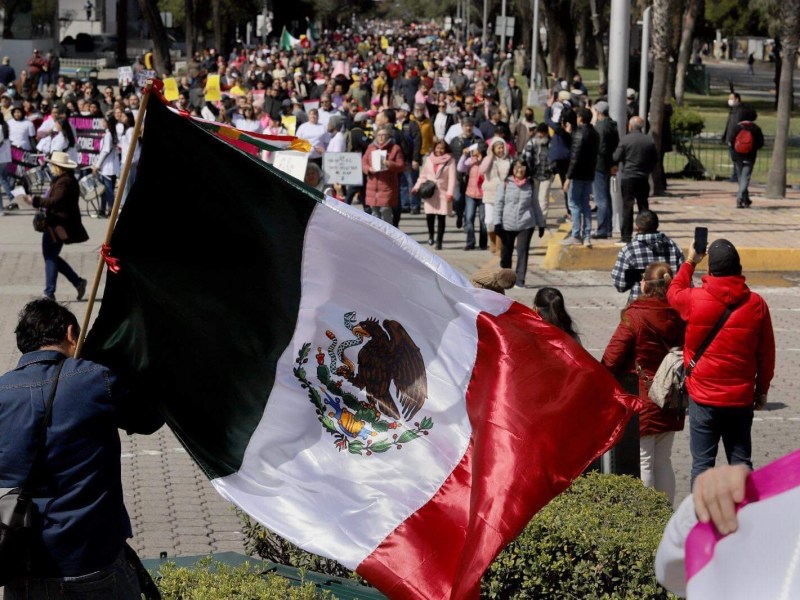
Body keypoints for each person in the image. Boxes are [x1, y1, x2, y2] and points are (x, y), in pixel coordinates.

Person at [0, 299, 163, 598]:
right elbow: (149, 418)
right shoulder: (94, 378)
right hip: (92, 559)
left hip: (23, 564)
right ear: (72, 333)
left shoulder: (3, 391)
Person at [667, 239, 775, 488]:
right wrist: (762, 390)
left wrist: (690, 261)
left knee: (702, 465)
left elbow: (673, 292)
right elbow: (766, 355)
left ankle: (699, 521)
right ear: (740, 268)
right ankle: (747, 518)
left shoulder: (694, 299)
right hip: (740, 398)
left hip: (703, 398)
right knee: (741, 463)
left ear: (710, 271)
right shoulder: (756, 304)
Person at [602, 262, 685, 503]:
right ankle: (666, 513)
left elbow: (611, 357)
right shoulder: (680, 312)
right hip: (671, 394)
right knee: (664, 459)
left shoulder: (636, 314)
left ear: (645, 285)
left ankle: (649, 519)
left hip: (644, 393)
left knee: (645, 459)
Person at [22, 151, 88, 301]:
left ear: (58, 167)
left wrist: (35, 201)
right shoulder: (62, 179)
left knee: (50, 256)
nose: (50, 167)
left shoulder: (65, 182)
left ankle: (49, 292)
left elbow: (55, 201)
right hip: (56, 224)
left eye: (52, 164)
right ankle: (77, 282)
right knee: (51, 256)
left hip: (59, 226)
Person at [611, 210, 684, 303]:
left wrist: (639, 276)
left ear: (637, 227)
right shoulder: (673, 247)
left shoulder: (629, 250)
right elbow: (684, 281)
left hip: (639, 307)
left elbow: (620, 285)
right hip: (669, 307)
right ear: (657, 226)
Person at [494, 159, 546, 289]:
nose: (519, 170)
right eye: (517, 168)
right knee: (506, 253)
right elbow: (499, 203)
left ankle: (520, 280)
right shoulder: (505, 183)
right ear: (512, 169)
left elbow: (535, 204)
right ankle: (506, 279)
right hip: (507, 223)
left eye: (522, 167)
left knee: (522, 252)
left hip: (526, 223)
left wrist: (541, 224)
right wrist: (497, 223)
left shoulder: (531, 184)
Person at [612, 116, 658, 244]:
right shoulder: (649, 140)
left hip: (628, 177)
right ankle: (647, 231)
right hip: (643, 177)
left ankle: (626, 237)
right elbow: (655, 159)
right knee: (643, 206)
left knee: (627, 207)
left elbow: (616, 157)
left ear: (630, 126)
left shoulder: (626, 139)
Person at [561, 107, 599, 247]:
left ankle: (576, 234)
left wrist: (568, 178)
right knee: (585, 205)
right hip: (589, 174)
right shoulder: (595, 134)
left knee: (574, 205)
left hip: (577, 175)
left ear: (581, 118)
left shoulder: (579, 134)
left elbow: (575, 157)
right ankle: (587, 235)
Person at [412, 139, 455, 250]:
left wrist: (450, 193)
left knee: (441, 217)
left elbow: (452, 179)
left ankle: (439, 241)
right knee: (429, 216)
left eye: (442, 148)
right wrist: (416, 187)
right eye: (438, 148)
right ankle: (431, 235)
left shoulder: (450, 160)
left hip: (443, 192)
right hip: (429, 191)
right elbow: (423, 175)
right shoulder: (429, 159)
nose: (439, 150)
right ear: (434, 148)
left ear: (445, 149)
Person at [361, 125, 404, 225]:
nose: (381, 137)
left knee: (385, 210)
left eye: (383, 135)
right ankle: (377, 237)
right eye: (379, 135)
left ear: (388, 136)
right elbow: (364, 163)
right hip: (372, 186)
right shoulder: (371, 147)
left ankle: (389, 235)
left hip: (387, 185)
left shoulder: (395, 148)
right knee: (374, 212)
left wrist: (389, 164)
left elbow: (401, 165)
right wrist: (368, 169)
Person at [479, 138, 512, 252]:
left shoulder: (508, 160)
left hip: (504, 194)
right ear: (493, 148)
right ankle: (492, 240)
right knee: (489, 221)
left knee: (500, 221)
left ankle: (499, 246)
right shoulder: (488, 159)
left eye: (502, 147)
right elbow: (481, 170)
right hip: (489, 194)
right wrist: (490, 157)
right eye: (498, 147)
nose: (501, 150)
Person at [591, 101, 619, 240]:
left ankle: (602, 229)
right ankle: (607, 228)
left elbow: (600, 148)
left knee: (601, 198)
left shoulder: (600, 127)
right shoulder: (612, 125)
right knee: (606, 197)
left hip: (599, 166)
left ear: (598, 112)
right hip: (607, 164)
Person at [730, 117, 764, 209]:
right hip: (750, 156)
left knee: (741, 178)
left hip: (738, 157)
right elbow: (761, 143)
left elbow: (731, 140)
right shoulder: (756, 128)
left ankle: (743, 199)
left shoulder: (737, 127)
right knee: (746, 178)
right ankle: (741, 198)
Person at [722, 93, 756, 183]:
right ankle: (736, 175)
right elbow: (730, 125)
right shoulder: (733, 110)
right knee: (734, 158)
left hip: (736, 139)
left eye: (731, 98)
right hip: (731, 138)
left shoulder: (741, 110)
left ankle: (737, 176)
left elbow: (736, 125)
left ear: (737, 99)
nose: (729, 100)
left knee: (737, 159)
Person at [92, 116, 120, 218]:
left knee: (107, 190)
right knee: (105, 190)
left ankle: (112, 211)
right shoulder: (112, 133)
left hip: (107, 167)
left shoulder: (109, 135)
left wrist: (97, 165)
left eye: (104, 121)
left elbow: (105, 151)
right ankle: (102, 210)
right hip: (110, 166)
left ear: (108, 123)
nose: (102, 123)